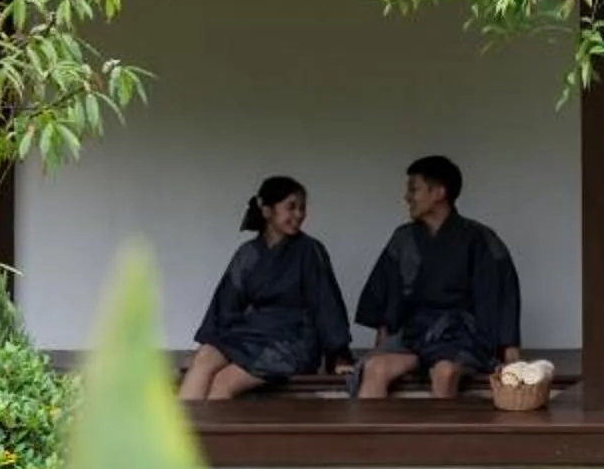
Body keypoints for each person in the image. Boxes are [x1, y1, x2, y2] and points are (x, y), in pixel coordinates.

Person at [354, 154, 522, 399]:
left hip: (462, 336)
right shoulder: (404, 239)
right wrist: (382, 344)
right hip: (416, 333)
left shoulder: (479, 238)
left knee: (444, 371)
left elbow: (500, 294)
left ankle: (438, 437)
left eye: (414, 190)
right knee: (374, 367)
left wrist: (510, 351)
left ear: (439, 193)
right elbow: (387, 294)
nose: (407, 198)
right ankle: (369, 438)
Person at [179, 176, 352, 400]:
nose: (299, 214)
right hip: (251, 334)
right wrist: (209, 342)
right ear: (267, 211)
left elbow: (326, 303)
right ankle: (175, 432)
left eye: (302, 208)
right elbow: (226, 304)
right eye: (291, 207)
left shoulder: (310, 250)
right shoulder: (248, 253)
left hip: (292, 341)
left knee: (222, 384)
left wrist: (339, 356)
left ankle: (207, 435)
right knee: (204, 357)